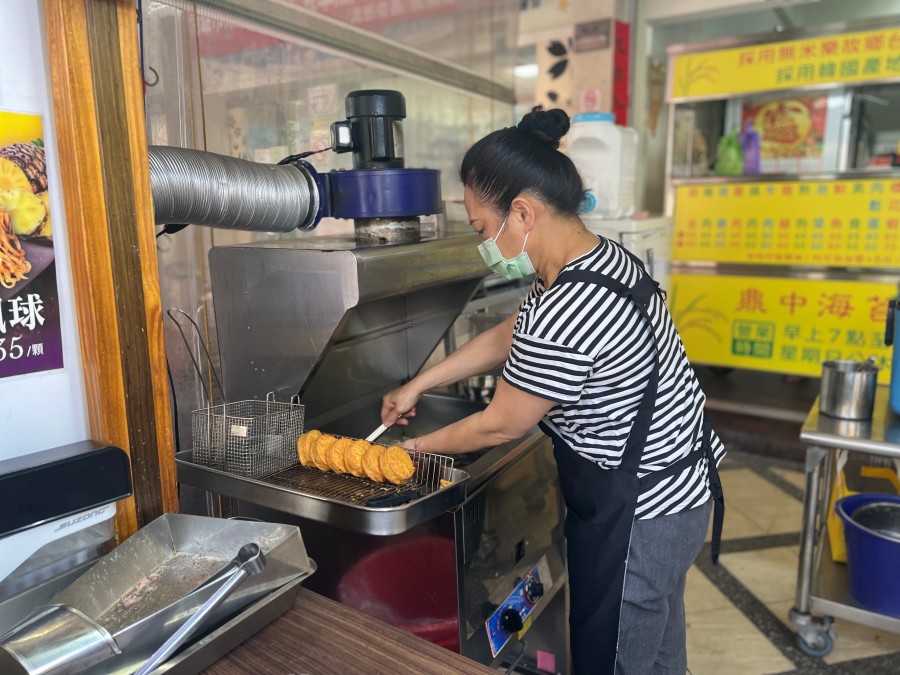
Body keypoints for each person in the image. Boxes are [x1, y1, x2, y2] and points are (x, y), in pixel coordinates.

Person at [380, 106, 725, 675]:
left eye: (480, 230)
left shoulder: (570, 301)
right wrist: (421, 381)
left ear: (522, 212)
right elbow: (515, 330)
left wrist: (411, 451)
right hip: (677, 490)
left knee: (614, 661)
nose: (483, 245)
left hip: (642, 512)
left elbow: (502, 422)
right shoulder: (596, 259)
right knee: (658, 656)